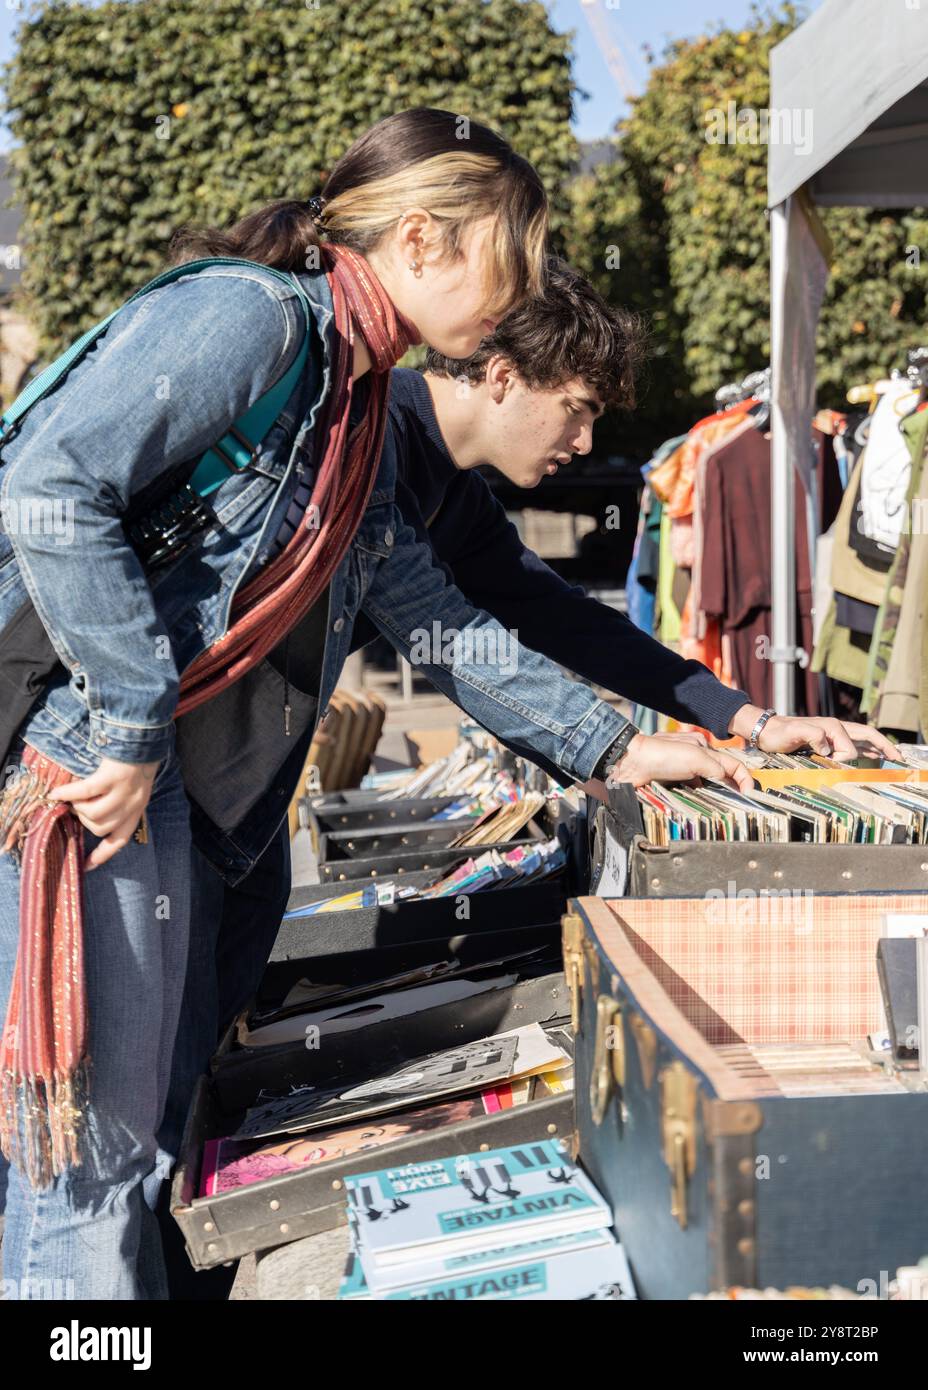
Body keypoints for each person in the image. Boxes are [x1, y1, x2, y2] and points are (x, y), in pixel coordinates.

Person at [0, 106, 648, 1301]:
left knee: (124, 1163)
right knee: (84, 1182)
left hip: (159, 800)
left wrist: (617, 744)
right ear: (424, 240)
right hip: (96, 784)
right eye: (508, 259)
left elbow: (433, 615)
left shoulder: (349, 401)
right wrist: (137, 720)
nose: (514, 300)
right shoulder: (253, 321)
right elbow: (49, 484)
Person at [155, 255, 894, 1297]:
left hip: (240, 816)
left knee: (178, 1107)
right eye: (577, 409)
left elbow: (545, 612)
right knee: (139, 1124)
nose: (587, 443)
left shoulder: (438, 479)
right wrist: (615, 749)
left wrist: (745, 716)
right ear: (498, 372)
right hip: (156, 807)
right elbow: (458, 639)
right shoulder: (367, 433)